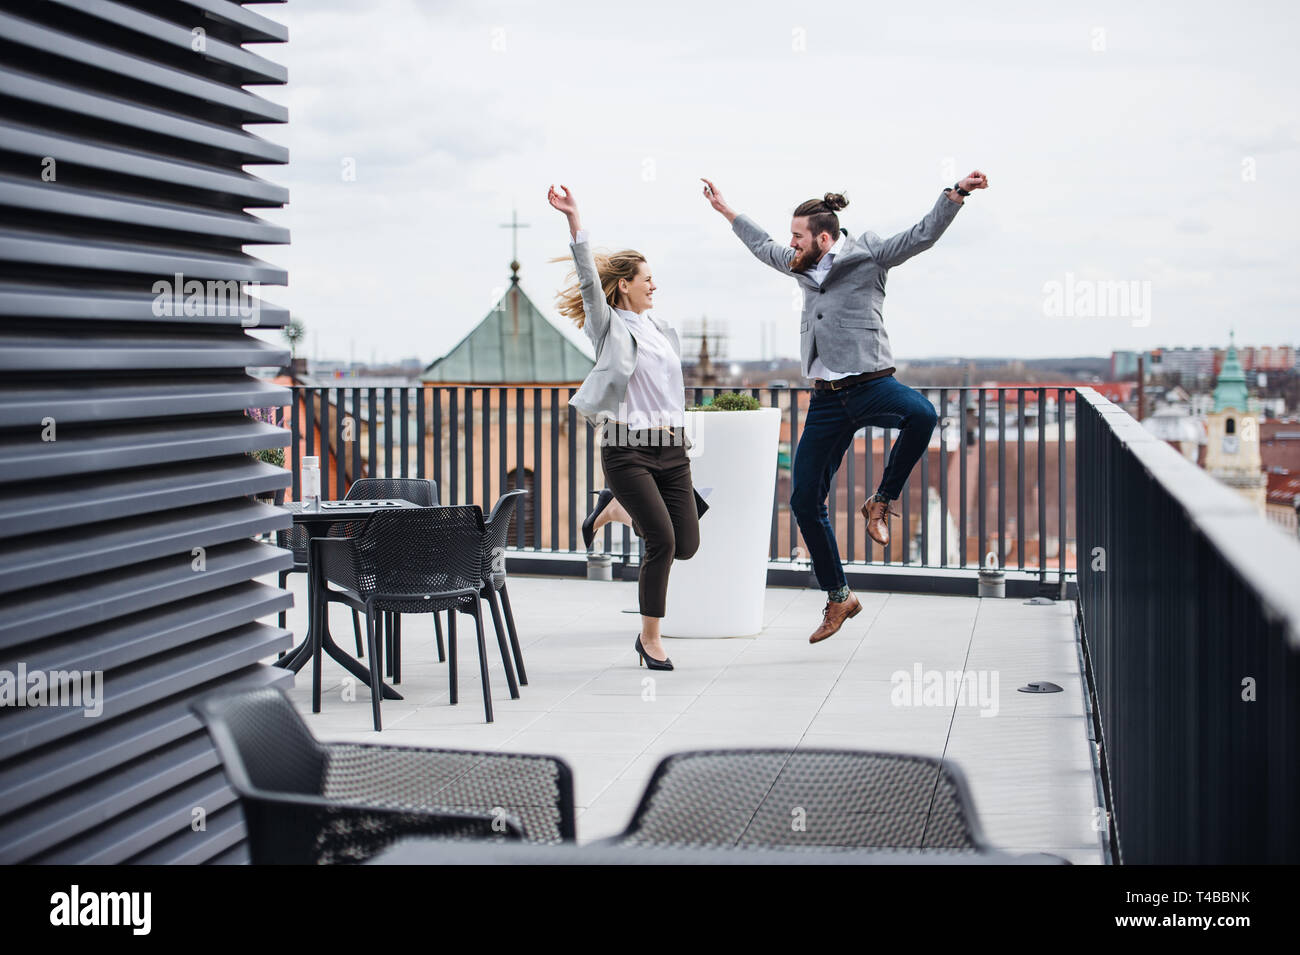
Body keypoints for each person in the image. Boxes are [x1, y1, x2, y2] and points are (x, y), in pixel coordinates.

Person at [701, 171, 989, 643]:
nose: (790, 244)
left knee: (922, 415)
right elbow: (762, 246)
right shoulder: (800, 265)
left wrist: (955, 195)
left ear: (824, 237)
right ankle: (839, 597)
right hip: (826, 401)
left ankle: (881, 500)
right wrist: (728, 211)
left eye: (797, 236)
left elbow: (922, 235)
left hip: (872, 384)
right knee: (802, 500)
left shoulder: (868, 255)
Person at [548, 183, 700, 671]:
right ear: (625, 285)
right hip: (626, 449)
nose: (654, 286)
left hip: (672, 449)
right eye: (647, 279)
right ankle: (650, 639)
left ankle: (613, 511)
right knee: (663, 543)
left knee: (688, 544)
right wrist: (575, 219)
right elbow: (589, 281)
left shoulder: (662, 330)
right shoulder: (609, 326)